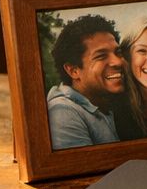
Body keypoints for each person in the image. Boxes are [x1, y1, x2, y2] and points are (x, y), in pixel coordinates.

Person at [46, 13, 125, 148]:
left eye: (118, 53)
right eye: (101, 56)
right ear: (73, 70)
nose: (118, 62)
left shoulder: (105, 101)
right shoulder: (64, 113)